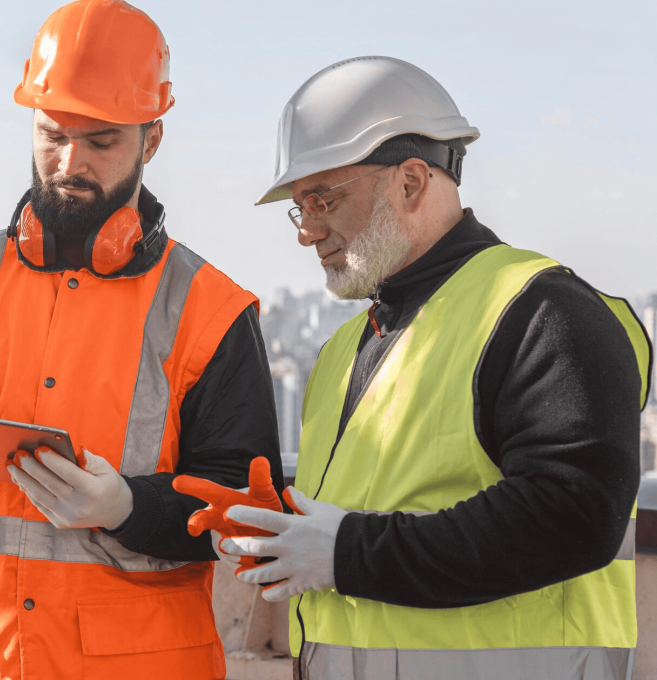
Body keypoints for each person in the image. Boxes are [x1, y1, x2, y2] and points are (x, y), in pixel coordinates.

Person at [0, 1, 283, 678]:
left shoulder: (209, 309)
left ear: (151, 140)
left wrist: (130, 506)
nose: (70, 161)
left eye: (101, 142)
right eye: (51, 134)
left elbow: (245, 503)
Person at [210, 56, 651, 680]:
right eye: (299, 207)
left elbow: (574, 515)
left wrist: (344, 554)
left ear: (412, 182)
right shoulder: (346, 350)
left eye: (324, 199)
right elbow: (387, 501)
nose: (307, 231)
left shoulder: (544, 311)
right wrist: (284, 527)